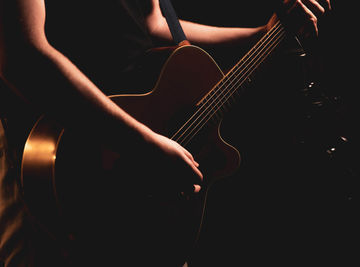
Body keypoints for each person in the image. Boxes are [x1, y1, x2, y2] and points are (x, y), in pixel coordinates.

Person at [0, 0, 330, 266]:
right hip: (61, 159)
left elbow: (153, 23)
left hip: (140, 166)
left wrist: (261, 33)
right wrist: (141, 143)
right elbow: (24, 52)